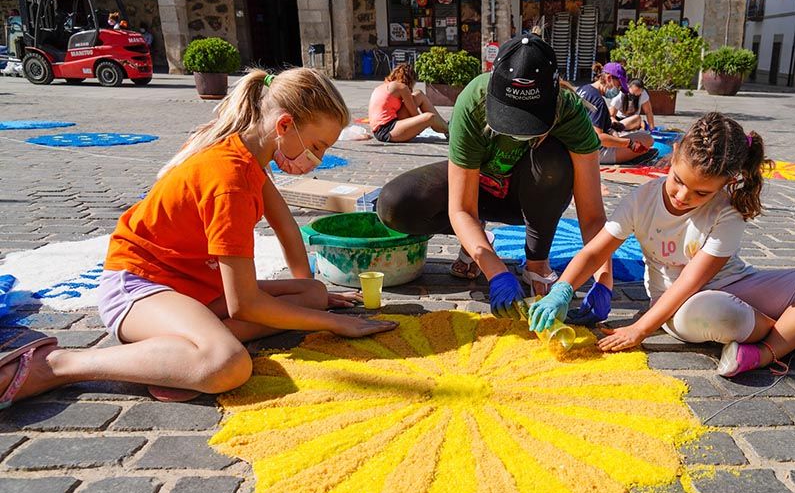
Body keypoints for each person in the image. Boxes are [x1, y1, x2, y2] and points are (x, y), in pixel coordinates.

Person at [0, 68, 396, 409]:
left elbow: (287, 228)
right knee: (228, 364)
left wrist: (313, 294)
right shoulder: (230, 181)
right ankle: (57, 365)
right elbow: (244, 304)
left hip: (191, 288)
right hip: (138, 289)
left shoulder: (248, 154)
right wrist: (331, 324)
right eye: (316, 146)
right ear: (285, 125)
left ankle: (174, 360)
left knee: (309, 294)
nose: (318, 159)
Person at [528, 112, 795, 377]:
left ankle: (763, 352)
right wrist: (564, 289)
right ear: (673, 157)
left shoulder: (728, 209)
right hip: (679, 308)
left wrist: (640, 329)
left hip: (733, 285)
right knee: (720, 313)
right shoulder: (640, 201)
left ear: (727, 183)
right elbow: (595, 250)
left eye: (701, 193)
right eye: (678, 181)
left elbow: (693, 279)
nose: (684, 196)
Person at [376, 33, 614, 319]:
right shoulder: (472, 101)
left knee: (554, 162)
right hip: (481, 189)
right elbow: (461, 208)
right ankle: (479, 238)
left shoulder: (568, 110)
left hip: (528, 197)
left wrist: (603, 280)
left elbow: (591, 215)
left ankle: (537, 264)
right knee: (394, 203)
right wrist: (496, 272)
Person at [577, 61, 655, 165]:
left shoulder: (583, 89)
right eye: (618, 86)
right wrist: (629, 144)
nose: (618, 90)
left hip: (576, 145)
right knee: (647, 139)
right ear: (609, 78)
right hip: (592, 152)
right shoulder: (598, 101)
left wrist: (613, 128)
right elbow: (599, 138)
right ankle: (630, 158)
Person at [367, 63, 449, 143]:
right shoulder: (402, 87)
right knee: (430, 117)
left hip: (382, 127)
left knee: (419, 94)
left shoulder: (385, 86)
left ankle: (444, 126)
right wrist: (421, 124)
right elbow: (414, 114)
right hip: (387, 130)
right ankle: (449, 130)